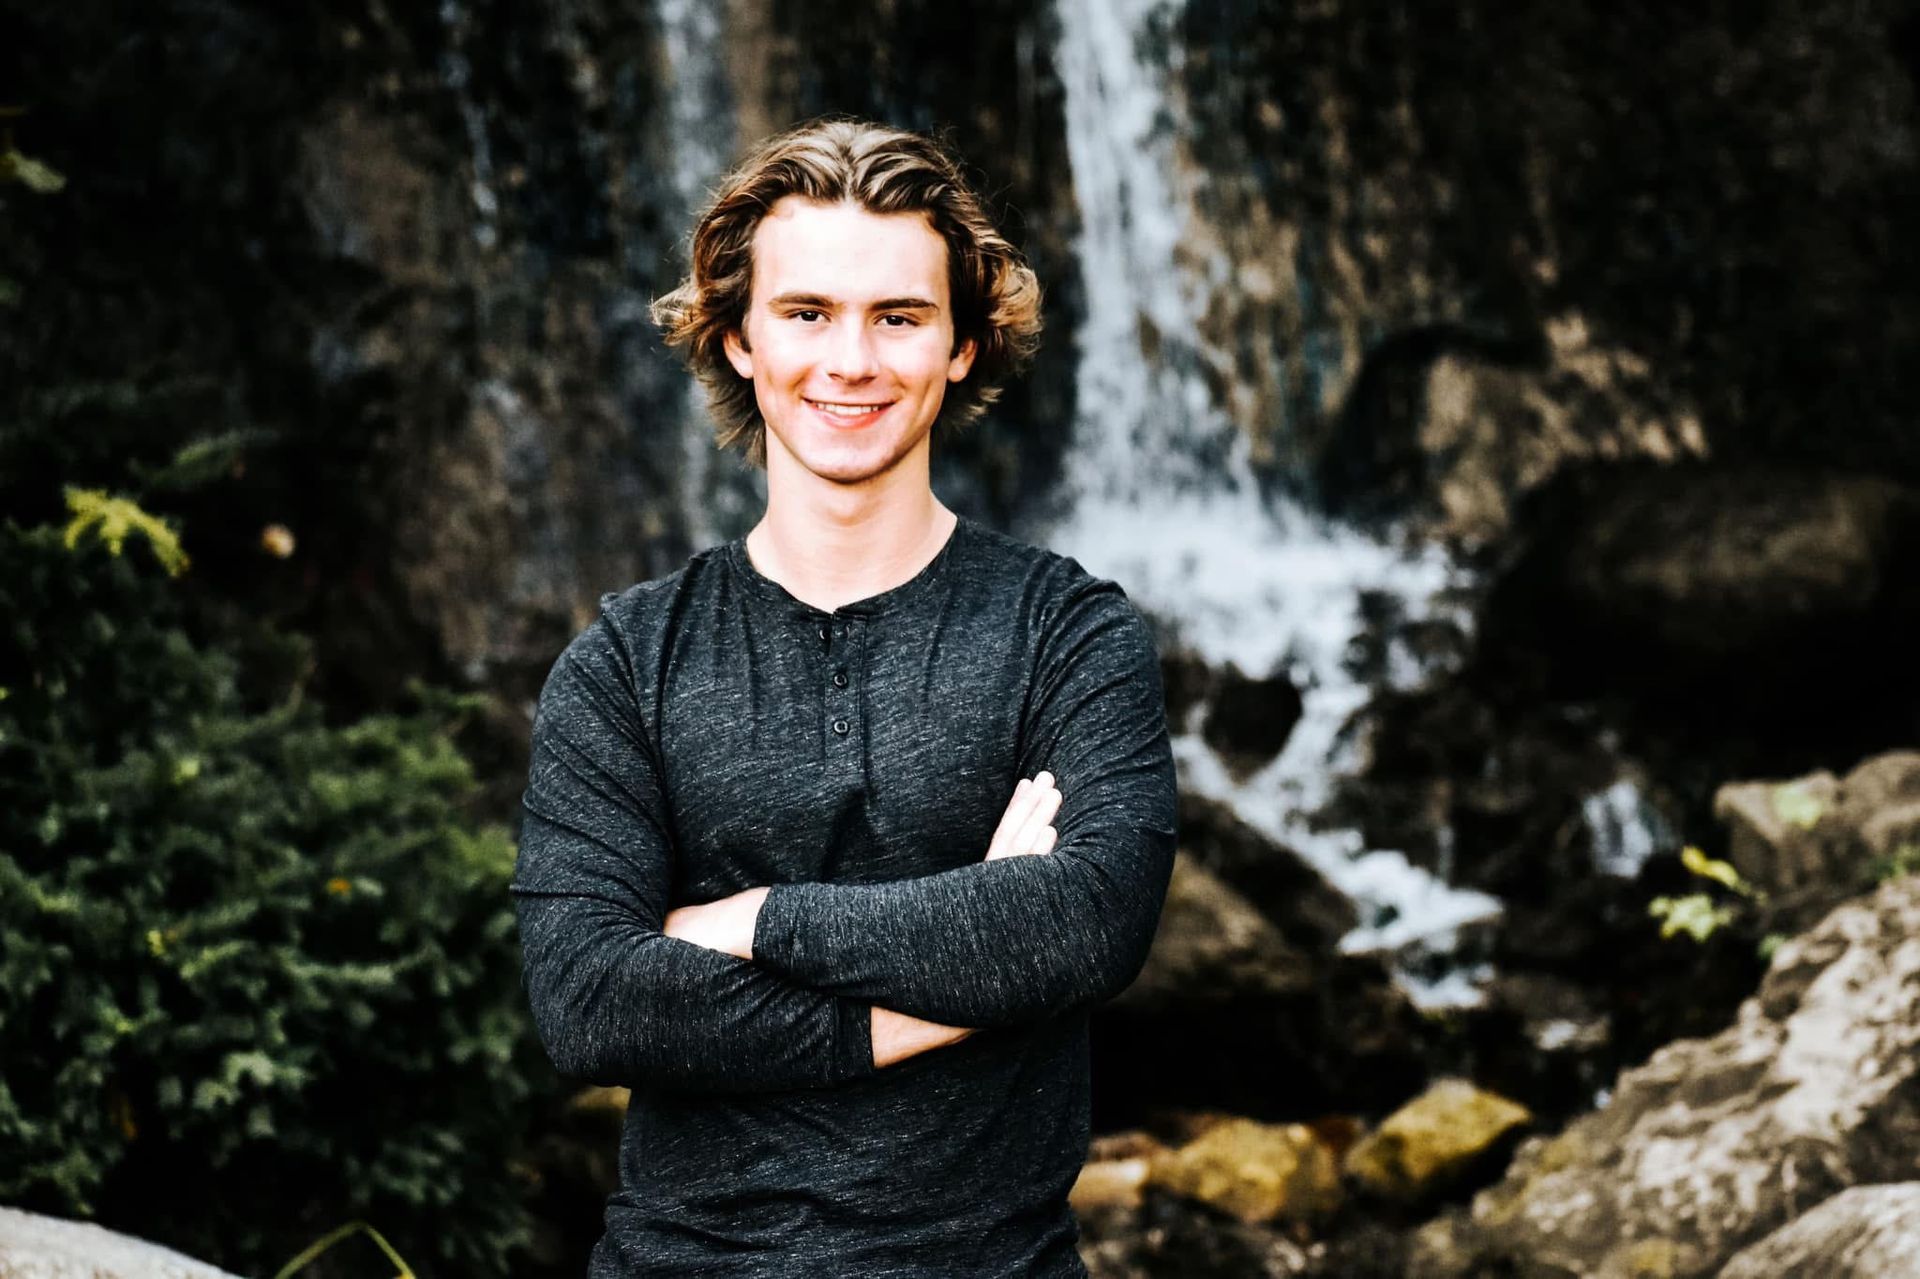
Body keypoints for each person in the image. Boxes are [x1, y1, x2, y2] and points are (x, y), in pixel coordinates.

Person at [511, 117, 1178, 1277]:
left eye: (900, 316)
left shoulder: (1072, 635)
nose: (852, 361)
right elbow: (591, 998)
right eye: (808, 313)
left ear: (964, 345)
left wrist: (751, 922)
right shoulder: (626, 661)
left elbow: (1086, 922)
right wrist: (956, 973)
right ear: (736, 339)